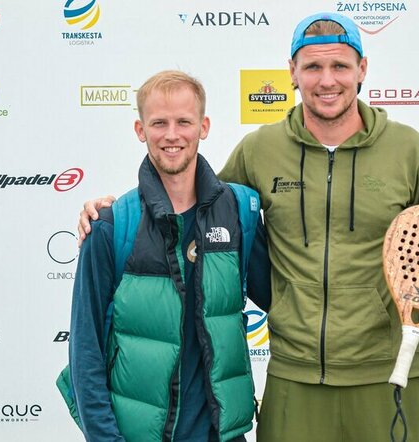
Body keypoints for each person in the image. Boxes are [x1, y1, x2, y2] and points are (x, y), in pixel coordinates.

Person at [79, 13, 419, 442]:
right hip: (295, 375)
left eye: (339, 66)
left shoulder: (409, 148)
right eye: (312, 67)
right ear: (292, 73)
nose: (327, 80)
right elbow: (194, 208)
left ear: (362, 70)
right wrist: (113, 209)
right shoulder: (261, 149)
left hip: (390, 370)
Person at [68, 70, 270, 442]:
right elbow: (85, 351)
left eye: (184, 122)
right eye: (159, 123)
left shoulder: (239, 211)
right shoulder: (111, 226)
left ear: (204, 126)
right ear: (140, 130)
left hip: (222, 435)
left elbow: (283, 298)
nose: (172, 135)